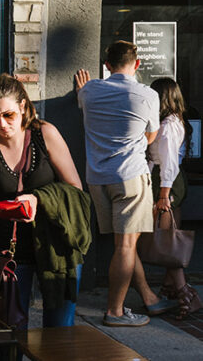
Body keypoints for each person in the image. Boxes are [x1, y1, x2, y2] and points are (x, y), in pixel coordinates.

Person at [0, 74, 90, 328]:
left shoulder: (45, 134)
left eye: (9, 115)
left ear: (23, 107)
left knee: (58, 333)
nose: (2, 124)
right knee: (8, 330)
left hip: (56, 245)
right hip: (8, 249)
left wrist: (39, 199)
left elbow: (76, 189)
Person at [75, 41, 177, 326]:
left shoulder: (90, 91)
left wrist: (82, 90)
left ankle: (149, 298)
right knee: (125, 246)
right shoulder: (147, 95)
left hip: (97, 179)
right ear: (138, 63)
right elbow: (152, 136)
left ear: (107, 65)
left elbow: (83, 103)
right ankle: (116, 312)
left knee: (124, 245)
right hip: (130, 176)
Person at [147, 77, 201, 319]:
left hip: (167, 180)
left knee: (167, 240)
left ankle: (184, 292)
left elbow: (168, 161)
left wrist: (163, 194)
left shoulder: (168, 125)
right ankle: (172, 288)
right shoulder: (174, 121)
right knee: (169, 236)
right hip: (171, 180)